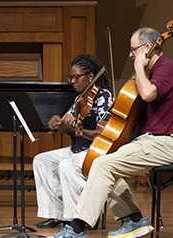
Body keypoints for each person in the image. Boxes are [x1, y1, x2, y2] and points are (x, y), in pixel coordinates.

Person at [47, 27, 173, 238]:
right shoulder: (151, 73)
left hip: (164, 142)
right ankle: (133, 220)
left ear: (148, 48)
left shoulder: (167, 67)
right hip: (149, 140)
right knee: (104, 161)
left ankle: (77, 228)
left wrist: (139, 67)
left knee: (102, 164)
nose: (131, 55)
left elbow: (149, 94)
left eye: (134, 50)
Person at [33, 54, 113, 228]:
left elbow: (104, 134)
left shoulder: (103, 97)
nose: (72, 82)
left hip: (93, 151)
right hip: (76, 149)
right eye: (71, 78)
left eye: (76, 77)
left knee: (66, 165)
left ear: (90, 76)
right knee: (42, 160)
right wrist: (58, 123)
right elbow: (64, 128)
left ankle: (80, 217)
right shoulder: (79, 99)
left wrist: (81, 131)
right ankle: (56, 214)